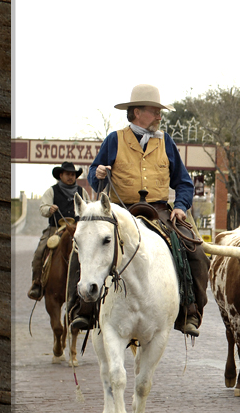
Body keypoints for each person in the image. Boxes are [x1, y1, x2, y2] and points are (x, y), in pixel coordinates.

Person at [68, 84, 209, 337]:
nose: (159, 116)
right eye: (154, 111)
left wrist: (179, 206)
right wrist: (98, 173)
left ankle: (190, 310)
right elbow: (94, 174)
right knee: (83, 246)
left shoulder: (167, 142)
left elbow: (184, 182)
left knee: (195, 251)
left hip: (158, 211)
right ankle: (82, 309)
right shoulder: (114, 140)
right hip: (120, 210)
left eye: (159, 111)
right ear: (136, 112)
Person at [28, 162, 89, 300]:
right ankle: (37, 283)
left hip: (77, 228)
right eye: (67, 174)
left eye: (72, 174)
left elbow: (88, 206)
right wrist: (49, 209)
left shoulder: (81, 192)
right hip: (55, 228)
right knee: (39, 252)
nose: (70, 177)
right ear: (60, 175)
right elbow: (43, 208)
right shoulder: (52, 191)